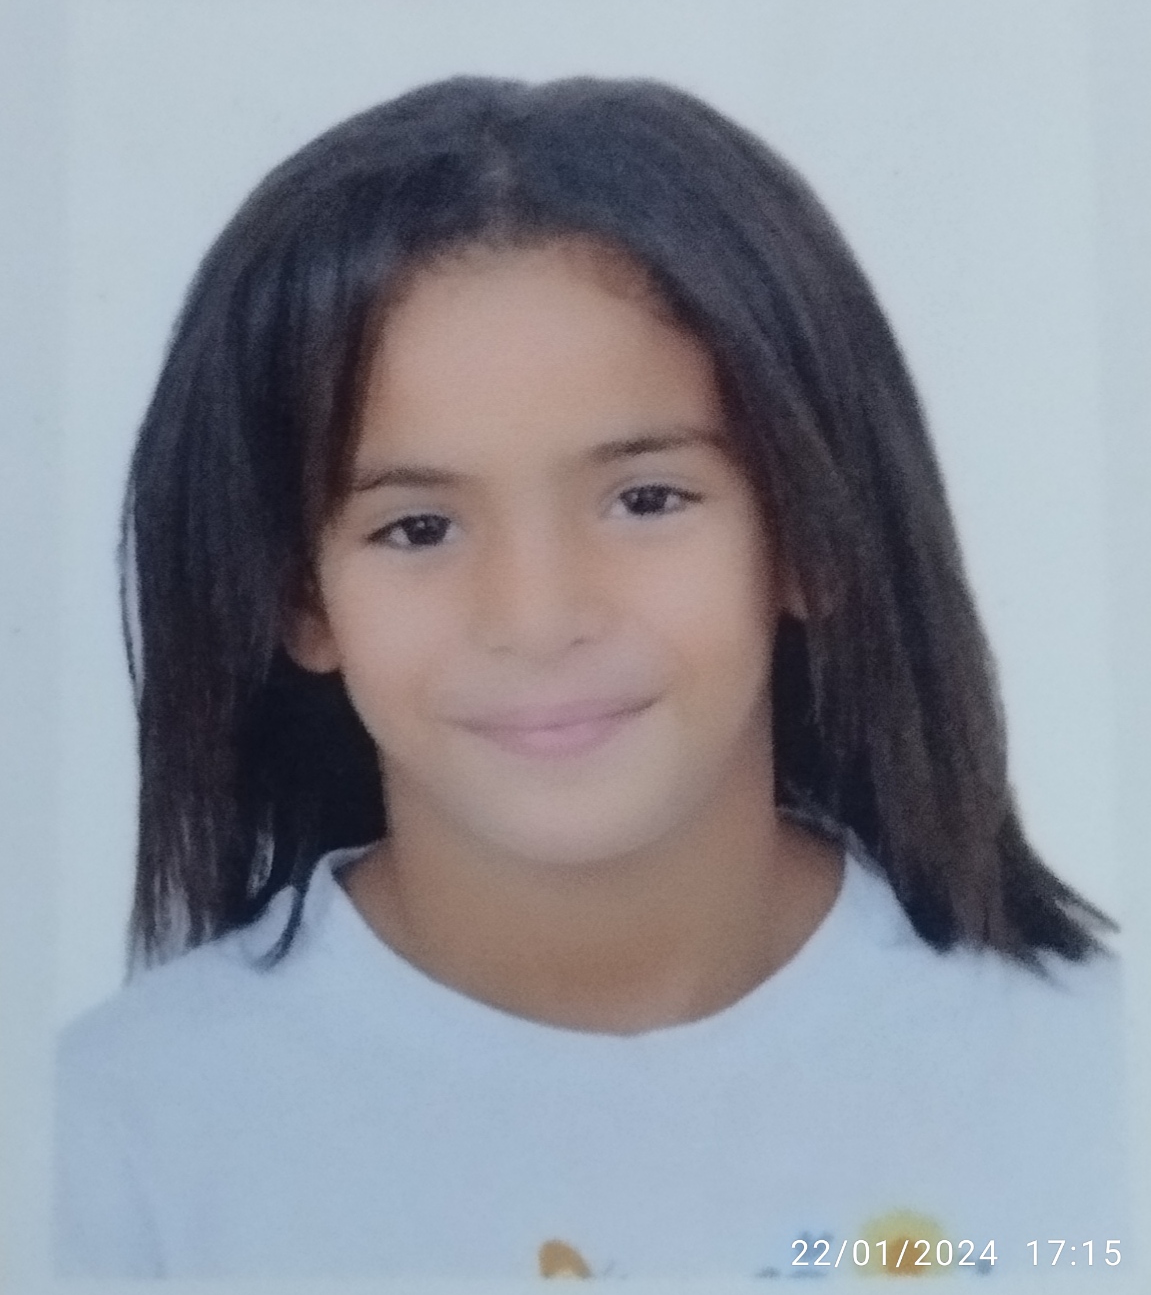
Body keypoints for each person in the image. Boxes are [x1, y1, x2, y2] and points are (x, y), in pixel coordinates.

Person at [55, 75, 1127, 1281]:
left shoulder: (1088, 1087)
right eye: (416, 527)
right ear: (298, 597)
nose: (537, 617)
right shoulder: (110, 1149)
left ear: (811, 534)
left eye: (645, 499)